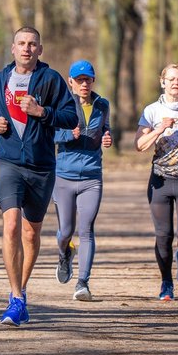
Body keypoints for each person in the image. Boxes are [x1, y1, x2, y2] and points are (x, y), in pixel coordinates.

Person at [0, 27, 78, 326]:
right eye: (21, 43)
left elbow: (70, 117)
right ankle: (16, 298)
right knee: (11, 225)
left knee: (31, 233)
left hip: (41, 165)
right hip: (6, 161)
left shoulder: (51, 80)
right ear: (13, 48)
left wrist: (42, 112)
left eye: (32, 44)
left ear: (40, 50)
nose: (26, 48)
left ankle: (21, 291)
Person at [135, 63, 178, 302]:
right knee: (164, 236)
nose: (176, 82)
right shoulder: (152, 111)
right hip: (161, 181)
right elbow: (139, 145)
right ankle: (166, 282)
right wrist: (160, 129)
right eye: (171, 79)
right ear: (162, 82)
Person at [52, 60, 112, 301]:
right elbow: (49, 134)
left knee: (86, 230)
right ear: (71, 82)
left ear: (93, 81)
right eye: (79, 80)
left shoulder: (102, 105)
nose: (84, 84)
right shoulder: (62, 105)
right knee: (65, 231)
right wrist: (68, 134)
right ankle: (64, 253)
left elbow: (105, 128)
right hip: (63, 176)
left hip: (91, 176)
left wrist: (107, 136)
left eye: (87, 79)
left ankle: (83, 283)